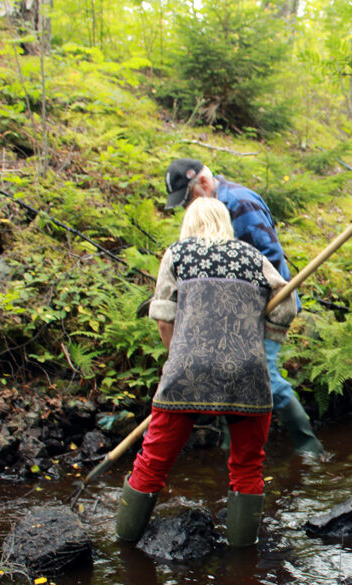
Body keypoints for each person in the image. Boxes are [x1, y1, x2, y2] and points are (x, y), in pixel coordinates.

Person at [115, 197, 297, 547]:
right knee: (247, 467)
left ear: (189, 223)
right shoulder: (254, 258)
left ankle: (124, 546)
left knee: (152, 462)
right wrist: (266, 335)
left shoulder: (177, 254)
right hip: (247, 373)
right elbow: (286, 304)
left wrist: (177, 357)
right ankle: (243, 561)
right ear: (225, 223)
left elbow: (164, 315)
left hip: (187, 372)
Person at [163, 158, 324, 456]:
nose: (188, 208)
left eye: (188, 199)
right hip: (231, 315)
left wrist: (255, 308)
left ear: (203, 183)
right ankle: (230, 450)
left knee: (264, 376)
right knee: (228, 377)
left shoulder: (239, 202)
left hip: (265, 308)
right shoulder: (210, 212)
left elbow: (270, 259)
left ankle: (309, 447)